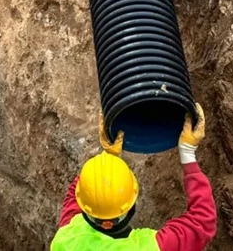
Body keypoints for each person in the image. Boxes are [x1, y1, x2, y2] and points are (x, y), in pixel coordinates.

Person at [51, 104, 217, 250]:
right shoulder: (147, 247)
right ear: (132, 204)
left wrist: (108, 159)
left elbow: (80, 193)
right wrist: (187, 153)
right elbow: (202, 222)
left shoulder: (66, 239)